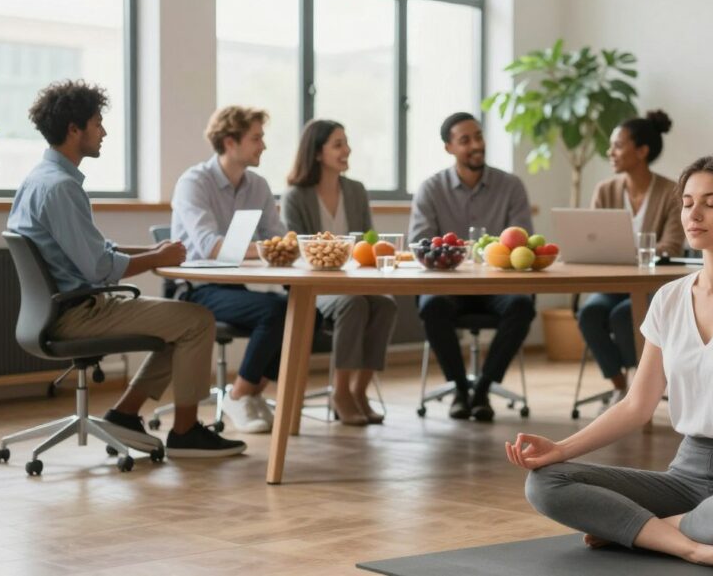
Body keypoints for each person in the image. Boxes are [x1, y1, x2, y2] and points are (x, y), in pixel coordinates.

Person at [508, 153, 713, 576]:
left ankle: (642, 530)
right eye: (687, 203)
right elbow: (637, 405)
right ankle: (689, 547)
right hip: (685, 475)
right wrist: (560, 450)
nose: (694, 214)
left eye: (711, 202)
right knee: (545, 482)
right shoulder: (669, 299)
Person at [7, 79, 245, 457]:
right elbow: (100, 267)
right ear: (74, 130)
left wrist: (152, 249)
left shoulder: (40, 179)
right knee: (197, 320)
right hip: (76, 313)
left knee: (181, 322)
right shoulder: (62, 188)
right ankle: (185, 433)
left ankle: (125, 414)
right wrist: (157, 260)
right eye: (97, 123)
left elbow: (91, 250)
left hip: (55, 308)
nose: (103, 132)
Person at [172, 105, 310, 433]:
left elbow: (278, 239)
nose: (263, 145)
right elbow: (212, 248)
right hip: (197, 287)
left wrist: (283, 246)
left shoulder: (257, 186)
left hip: (234, 286)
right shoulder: (195, 182)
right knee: (276, 311)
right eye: (256, 138)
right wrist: (273, 248)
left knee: (306, 311)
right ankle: (238, 394)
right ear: (230, 142)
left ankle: (253, 392)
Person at [408, 112, 535, 422]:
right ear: (449, 148)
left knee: (522, 305)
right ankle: (460, 388)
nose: (476, 145)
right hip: (448, 287)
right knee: (432, 305)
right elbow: (422, 244)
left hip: (498, 287)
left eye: (479, 137)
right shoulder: (431, 189)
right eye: (465, 140)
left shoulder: (511, 186)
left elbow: (521, 244)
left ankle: (483, 389)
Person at [282, 119, 397, 425]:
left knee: (385, 303)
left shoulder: (356, 191)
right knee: (353, 304)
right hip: (314, 286)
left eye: (346, 143)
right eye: (338, 144)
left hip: (354, 280)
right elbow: (296, 250)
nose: (347, 150)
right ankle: (341, 392)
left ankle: (360, 390)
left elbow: (369, 240)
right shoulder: (295, 196)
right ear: (317, 153)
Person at [578, 110, 683, 404]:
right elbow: (593, 240)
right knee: (590, 314)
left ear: (642, 151)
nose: (610, 152)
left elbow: (672, 245)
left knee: (625, 315)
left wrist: (625, 252)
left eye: (618, 145)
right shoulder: (605, 190)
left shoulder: (671, 191)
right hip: (613, 283)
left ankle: (643, 387)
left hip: (653, 287)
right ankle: (620, 386)